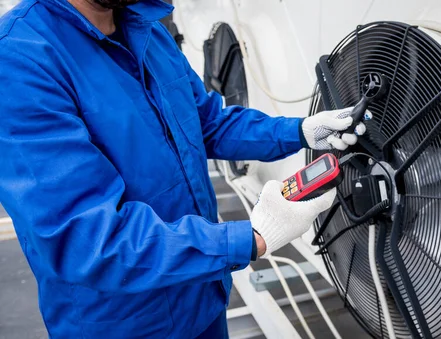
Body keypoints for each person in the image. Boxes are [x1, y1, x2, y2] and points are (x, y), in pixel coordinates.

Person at [0, 0, 368, 337]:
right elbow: (86, 237)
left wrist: (299, 131)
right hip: (126, 323)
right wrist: (251, 237)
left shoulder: (147, 30)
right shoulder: (21, 59)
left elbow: (208, 123)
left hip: (202, 297)